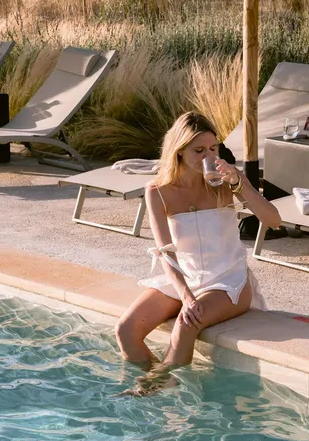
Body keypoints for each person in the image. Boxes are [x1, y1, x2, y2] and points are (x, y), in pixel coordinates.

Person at [115, 111, 282, 378]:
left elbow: (273, 220)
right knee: (125, 330)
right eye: (199, 150)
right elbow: (165, 254)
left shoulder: (226, 183)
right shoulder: (158, 191)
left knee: (186, 324)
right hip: (185, 278)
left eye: (213, 148)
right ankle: (159, 380)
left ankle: (156, 387)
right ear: (179, 151)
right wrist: (186, 295)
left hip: (228, 280)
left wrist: (241, 183)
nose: (209, 157)